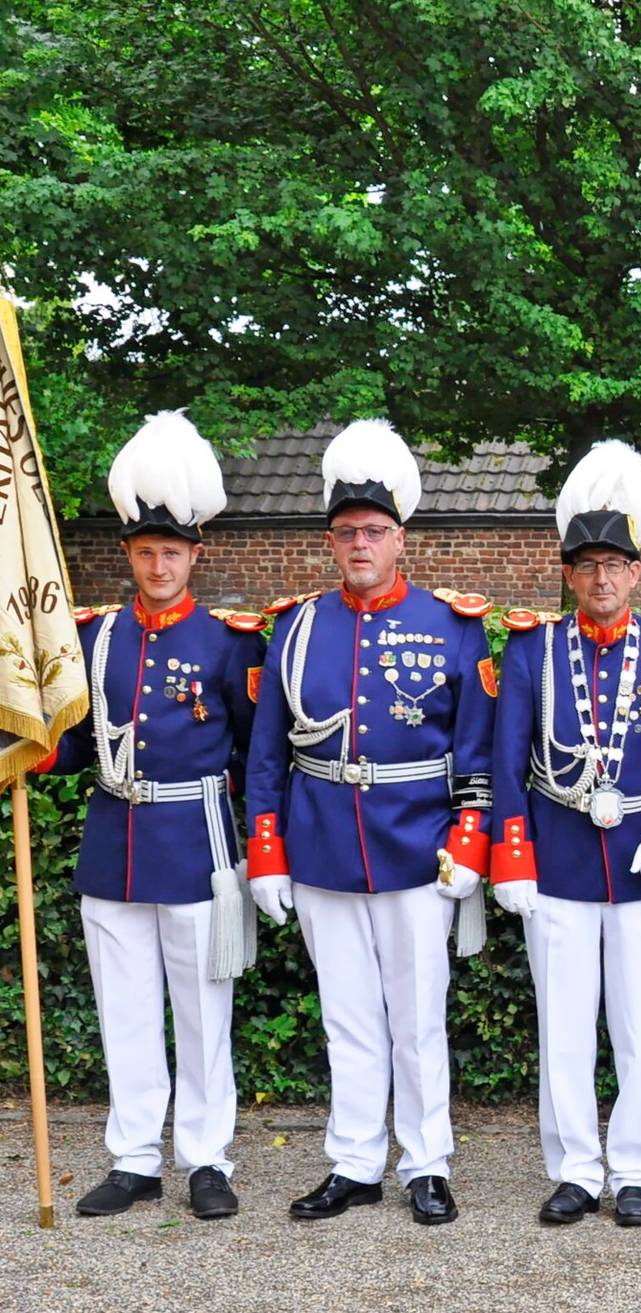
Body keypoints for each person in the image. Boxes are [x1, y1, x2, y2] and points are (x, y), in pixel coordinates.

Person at [245, 419, 498, 1226]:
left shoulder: (452, 624)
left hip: (416, 846)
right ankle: (354, 1162)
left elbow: (477, 748)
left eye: (375, 531)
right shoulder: (295, 627)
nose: (361, 543)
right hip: (321, 843)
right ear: (330, 539)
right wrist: (267, 850)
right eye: (348, 531)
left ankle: (426, 1162)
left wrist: (468, 839)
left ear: (400, 538)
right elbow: (265, 755)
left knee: (418, 1019)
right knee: (346, 1016)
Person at [489, 440, 641, 1228]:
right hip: (555, 866)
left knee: (638, 1025)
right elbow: (506, 762)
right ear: (567, 572)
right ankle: (576, 1167)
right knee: (562, 1027)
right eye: (585, 564)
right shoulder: (533, 648)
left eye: (614, 563)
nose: (600, 577)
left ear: (637, 569)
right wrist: (510, 854)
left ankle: (636, 1168)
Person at [46, 412, 263, 1220]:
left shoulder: (229, 641)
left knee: (204, 1014)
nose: (158, 563)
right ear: (129, 554)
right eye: (145, 551)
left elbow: (253, 756)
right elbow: (70, 745)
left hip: (198, 849)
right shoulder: (94, 636)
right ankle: (134, 1157)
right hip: (114, 848)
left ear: (194, 555)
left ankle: (207, 1157)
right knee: (125, 1012)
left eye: (171, 551)